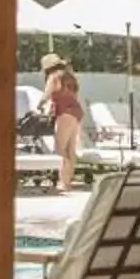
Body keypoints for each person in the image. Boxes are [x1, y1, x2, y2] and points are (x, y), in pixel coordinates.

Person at [42, 55, 85, 192]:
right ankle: (67, 181)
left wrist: (39, 105)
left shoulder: (54, 77)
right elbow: (75, 97)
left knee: (60, 147)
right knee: (71, 148)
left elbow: (46, 95)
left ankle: (62, 181)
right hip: (76, 112)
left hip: (64, 112)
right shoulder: (71, 77)